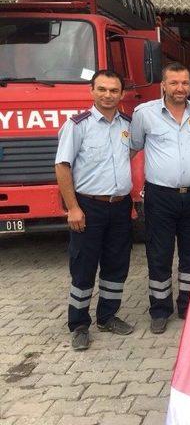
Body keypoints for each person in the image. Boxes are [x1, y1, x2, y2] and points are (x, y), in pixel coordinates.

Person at [55, 70, 134, 351]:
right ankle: (78, 325)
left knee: (116, 263)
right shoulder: (78, 125)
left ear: (122, 94)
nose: (108, 95)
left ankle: (108, 316)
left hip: (120, 206)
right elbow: (62, 166)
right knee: (84, 265)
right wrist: (73, 207)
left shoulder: (128, 124)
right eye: (102, 89)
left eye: (114, 90)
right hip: (88, 206)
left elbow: (130, 155)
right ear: (92, 91)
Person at [130, 62, 190, 334]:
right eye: (174, 83)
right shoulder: (144, 114)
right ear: (163, 85)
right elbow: (134, 146)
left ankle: (187, 303)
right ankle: (160, 308)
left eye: (185, 83)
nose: (180, 88)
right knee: (160, 252)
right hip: (160, 196)